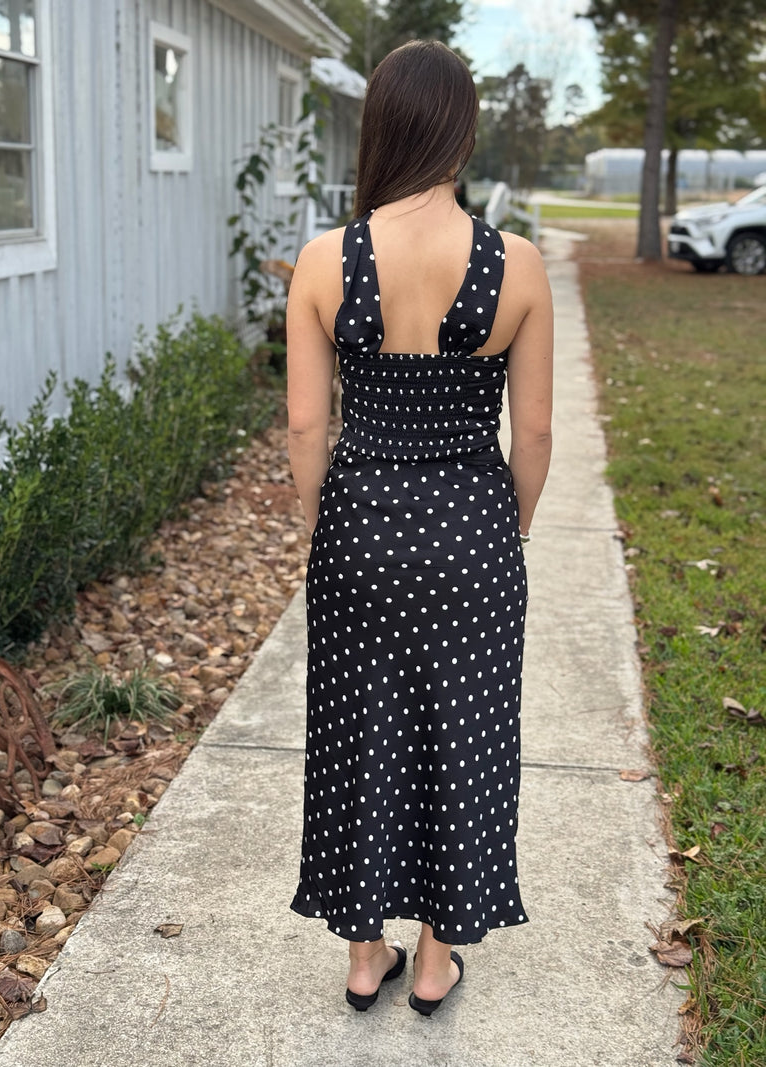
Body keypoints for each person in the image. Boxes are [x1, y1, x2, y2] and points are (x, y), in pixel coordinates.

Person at [286, 39, 553, 1016]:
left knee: (358, 728)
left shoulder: (325, 260)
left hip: (359, 526)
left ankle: (365, 954)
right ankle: (436, 960)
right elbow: (532, 430)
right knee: (463, 736)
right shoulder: (513, 265)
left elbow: (308, 423)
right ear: (460, 132)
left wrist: (322, 525)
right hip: (472, 529)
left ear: (379, 127)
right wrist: (503, 532)